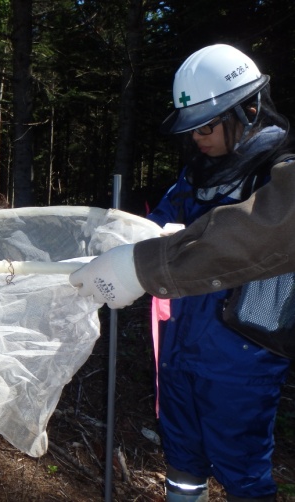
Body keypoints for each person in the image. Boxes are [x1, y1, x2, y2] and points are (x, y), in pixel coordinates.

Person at [73, 44, 292, 502]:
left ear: (249, 109)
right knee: (182, 463)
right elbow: (150, 230)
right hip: (178, 354)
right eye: (191, 128)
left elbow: (249, 236)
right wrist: (105, 248)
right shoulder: (194, 179)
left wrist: (145, 265)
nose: (197, 137)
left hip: (243, 361)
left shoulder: (277, 178)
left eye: (207, 125)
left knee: (242, 470)